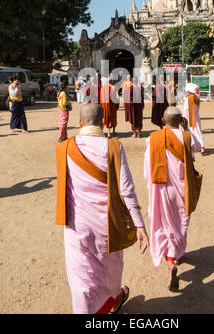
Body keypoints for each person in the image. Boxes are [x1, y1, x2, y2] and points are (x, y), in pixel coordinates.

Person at [55, 103, 149, 314]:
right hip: (108, 225)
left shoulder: (64, 148)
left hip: (76, 224)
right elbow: (127, 190)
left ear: (79, 123)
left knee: (81, 278)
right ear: (104, 121)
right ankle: (112, 299)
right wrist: (139, 224)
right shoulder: (114, 147)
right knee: (109, 271)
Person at [144, 106, 202, 291]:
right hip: (182, 187)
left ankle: (171, 263)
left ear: (163, 121)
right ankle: (177, 253)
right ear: (180, 120)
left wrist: (150, 186)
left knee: (164, 223)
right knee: (180, 222)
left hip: (161, 188)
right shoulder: (187, 137)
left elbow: (148, 167)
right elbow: (191, 157)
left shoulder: (153, 139)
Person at [183, 82, 205, 155]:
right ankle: (202, 147)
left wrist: (184, 119)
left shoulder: (188, 98)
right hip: (196, 117)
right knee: (198, 131)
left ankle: (193, 146)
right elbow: (197, 108)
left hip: (188, 118)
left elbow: (185, 109)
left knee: (190, 131)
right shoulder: (197, 97)